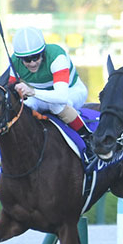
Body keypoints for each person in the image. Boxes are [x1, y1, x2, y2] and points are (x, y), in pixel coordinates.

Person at [8, 26, 95, 163]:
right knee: (24, 108)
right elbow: (9, 94)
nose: (32, 63)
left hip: (71, 91)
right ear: (19, 58)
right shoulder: (14, 62)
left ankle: (88, 138)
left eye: (36, 57)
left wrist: (32, 91)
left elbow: (61, 97)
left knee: (56, 105)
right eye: (26, 59)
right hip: (39, 96)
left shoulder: (56, 57)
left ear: (43, 52)